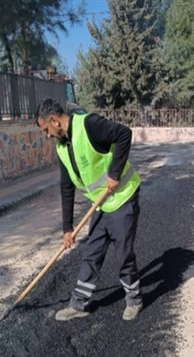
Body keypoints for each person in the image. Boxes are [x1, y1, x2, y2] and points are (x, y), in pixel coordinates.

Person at [36, 98, 143, 321]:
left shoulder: (89, 125)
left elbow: (124, 134)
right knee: (92, 252)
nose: (48, 136)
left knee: (123, 253)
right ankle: (79, 304)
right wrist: (67, 228)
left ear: (54, 121)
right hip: (101, 205)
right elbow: (66, 187)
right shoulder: (62, 148)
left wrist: (115, 173)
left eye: (46, 129)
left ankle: (134, 299)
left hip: (123, 197)